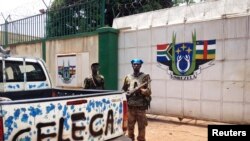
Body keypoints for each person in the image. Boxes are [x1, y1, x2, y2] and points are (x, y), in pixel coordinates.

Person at [122, 58, 152, 141]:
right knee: (130, 129)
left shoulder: (145, 77)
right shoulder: (127, 77)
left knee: (142, 129)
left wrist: (141, 90)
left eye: (138, 64)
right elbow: (123, 90)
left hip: (141, 108)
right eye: (134, 64)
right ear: (132, 65)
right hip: (130, 107)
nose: (136, 66)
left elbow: (149, 91)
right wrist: (127, 93)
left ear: (140, 65)